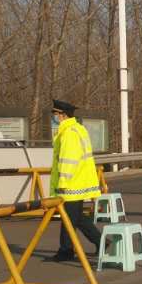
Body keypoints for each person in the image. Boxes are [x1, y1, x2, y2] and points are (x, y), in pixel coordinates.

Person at [48, 100, 103, 262]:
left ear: (63, 115)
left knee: (68, 219)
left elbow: (68, 161)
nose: (54, 117)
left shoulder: (68, 133)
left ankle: (66, 251)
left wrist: (63, 184)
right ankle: (102, 242)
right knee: (76, 218)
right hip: (79, 181)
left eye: (55, 114)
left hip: (71, 184)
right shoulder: (78, 129)